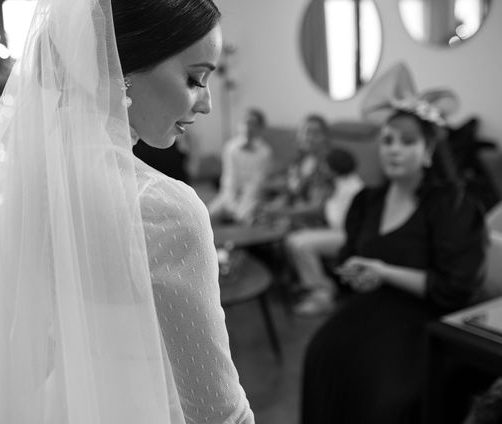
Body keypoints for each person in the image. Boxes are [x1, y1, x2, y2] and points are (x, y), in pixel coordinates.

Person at [0, 0, 254, 424]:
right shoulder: (166, 210)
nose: (207, 102)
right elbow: (219, 412)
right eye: (195, 78)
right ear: (125, 69)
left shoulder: (27, 180)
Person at [301, 100, 487, 423]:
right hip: (371, 308)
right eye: (387, 141)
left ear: (428, 151)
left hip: (423, 317)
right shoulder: (366, 200)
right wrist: (355, 273)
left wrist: (383, 271)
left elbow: (454, 286)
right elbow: (349, 254)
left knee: (385, 391)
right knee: (321, 351)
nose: (394, 150)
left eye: (407, 141)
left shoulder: (452, 207)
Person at [288, 148, 363, 316]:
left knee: (301, 245)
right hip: (336, 231)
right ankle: (315, 286)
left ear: (334, 168)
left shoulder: (351, 188)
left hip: (347, 235)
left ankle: (323, 295)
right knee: (294, 239)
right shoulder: (337, 184)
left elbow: (338, 220)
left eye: (325, 166)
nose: (322, 170)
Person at [208, 108, 272, 224]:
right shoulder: (230, 147)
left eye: (253, 124)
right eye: (245, 123)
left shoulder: (264, 152)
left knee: (245, 218)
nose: (248, 127)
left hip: (251, 197)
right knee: (207, 216)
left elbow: (256, 183)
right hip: (228, 194)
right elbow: (229, 177)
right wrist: (231, 202)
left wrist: (240, 206)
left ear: (260, 128)